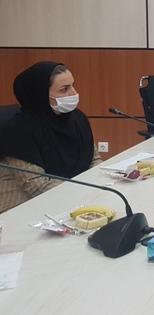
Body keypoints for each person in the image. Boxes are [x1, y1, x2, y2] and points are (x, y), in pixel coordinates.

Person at [0, 62, 101, 213]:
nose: (74, 93)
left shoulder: (77, 118)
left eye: (73, 85)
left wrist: (100, 185)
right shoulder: (18, 129)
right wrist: (85, 192)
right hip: (23, 209)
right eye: (64, 89)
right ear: (40, 94)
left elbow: (94, 159)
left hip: (74, 201)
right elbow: (37, 186)